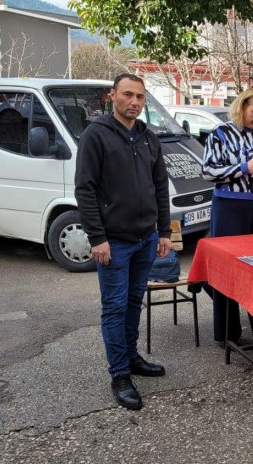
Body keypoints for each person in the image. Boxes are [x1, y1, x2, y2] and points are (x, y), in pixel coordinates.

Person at [75, 73, 171, 411]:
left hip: (146, 238)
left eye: (140, 97)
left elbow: (160, 187)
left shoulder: (148, 138)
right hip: (113, 243)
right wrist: (97, 238)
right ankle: (119, 374)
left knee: (133, 303)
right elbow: (84, 189)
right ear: (112, 96)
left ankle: (131, 359)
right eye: (127, 95)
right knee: (114, 308)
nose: (134, 102)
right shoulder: (96, 135)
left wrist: (165, 231)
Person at [202, 85, 253, 345]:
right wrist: (244, 168)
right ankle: (227, 334)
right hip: (229, 206)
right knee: (228, 269)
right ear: (242, 106)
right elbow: (208, 172)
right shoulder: (220, 134)